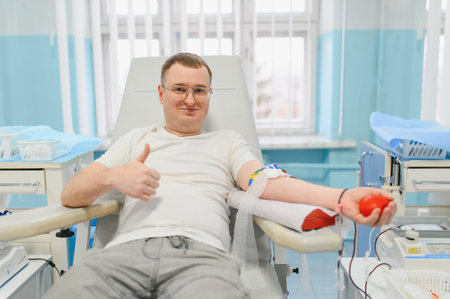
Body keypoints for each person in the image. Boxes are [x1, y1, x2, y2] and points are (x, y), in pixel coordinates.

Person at [44, 53, 396, 299]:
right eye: (180, 88)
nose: (190, 99)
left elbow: (266, 183)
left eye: (200, 90)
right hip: (124, 253)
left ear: (209, 95)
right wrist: (114, 178)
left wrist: (340, 197)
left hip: (201, 257)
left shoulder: (227, 142)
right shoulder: (136, 139)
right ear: (161, 93)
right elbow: (71, 194)